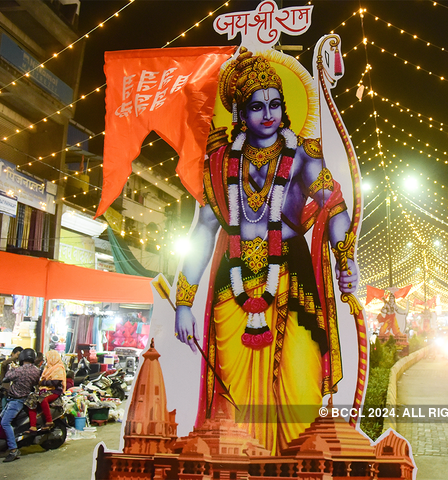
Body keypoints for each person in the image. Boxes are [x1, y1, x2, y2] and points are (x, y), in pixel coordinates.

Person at [174, 48, 357, 455]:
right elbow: (203, 231)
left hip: (291, 279)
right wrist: (183, 301)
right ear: (241, 112)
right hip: (232, 285)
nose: (268, 114)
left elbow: (334, 207)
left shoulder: (303, 156)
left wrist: (347, 258)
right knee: (235, 396)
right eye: (256, 106)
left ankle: (295, 463)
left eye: (275, 103)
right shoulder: (218, 162)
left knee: (300, 381)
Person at [0, 348, 40, 462]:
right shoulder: (36, 371)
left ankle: (13, 450)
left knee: (5, 422)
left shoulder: (19, 370)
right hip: (26, 398)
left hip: (16, 400)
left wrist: (12, 368)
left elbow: (6, 377)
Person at [25, 350, 66, 433]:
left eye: (47, 358)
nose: (46, 360)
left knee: (43, 399)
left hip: (55, 391)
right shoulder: (47, 368)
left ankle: (49, 421)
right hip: (44, 389)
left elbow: (55, 382)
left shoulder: (59, 368)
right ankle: (33, 426)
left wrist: (43, 382)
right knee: (31, 401)